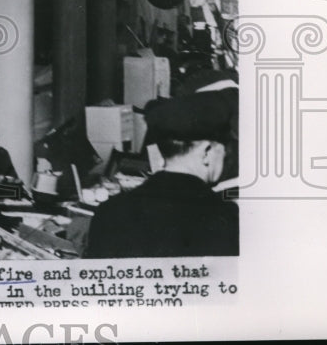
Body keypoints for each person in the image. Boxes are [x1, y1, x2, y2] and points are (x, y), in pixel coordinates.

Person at [85, 91, 238, 258]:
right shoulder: (224, 218)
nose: (226, 157)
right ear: (207, 152)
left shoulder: (110, 212)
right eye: (225, 150)